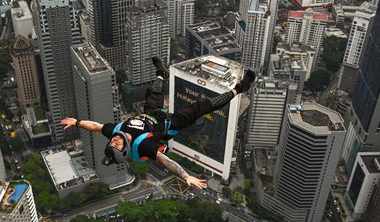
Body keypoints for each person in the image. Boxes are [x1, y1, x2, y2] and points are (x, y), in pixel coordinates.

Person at [61, 57, 256, 189]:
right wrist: (186, 176)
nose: (113, 142)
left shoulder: (115, 131)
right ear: (125, 150)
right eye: (116, 146)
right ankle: (240, 88)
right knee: (202, 107)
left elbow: (95, 126)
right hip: (170, 124)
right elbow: (166, 162)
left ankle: (161, 72)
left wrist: (77, 122)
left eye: (111, 144)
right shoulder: (144, 146)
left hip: (151, 114)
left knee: (154, 92)